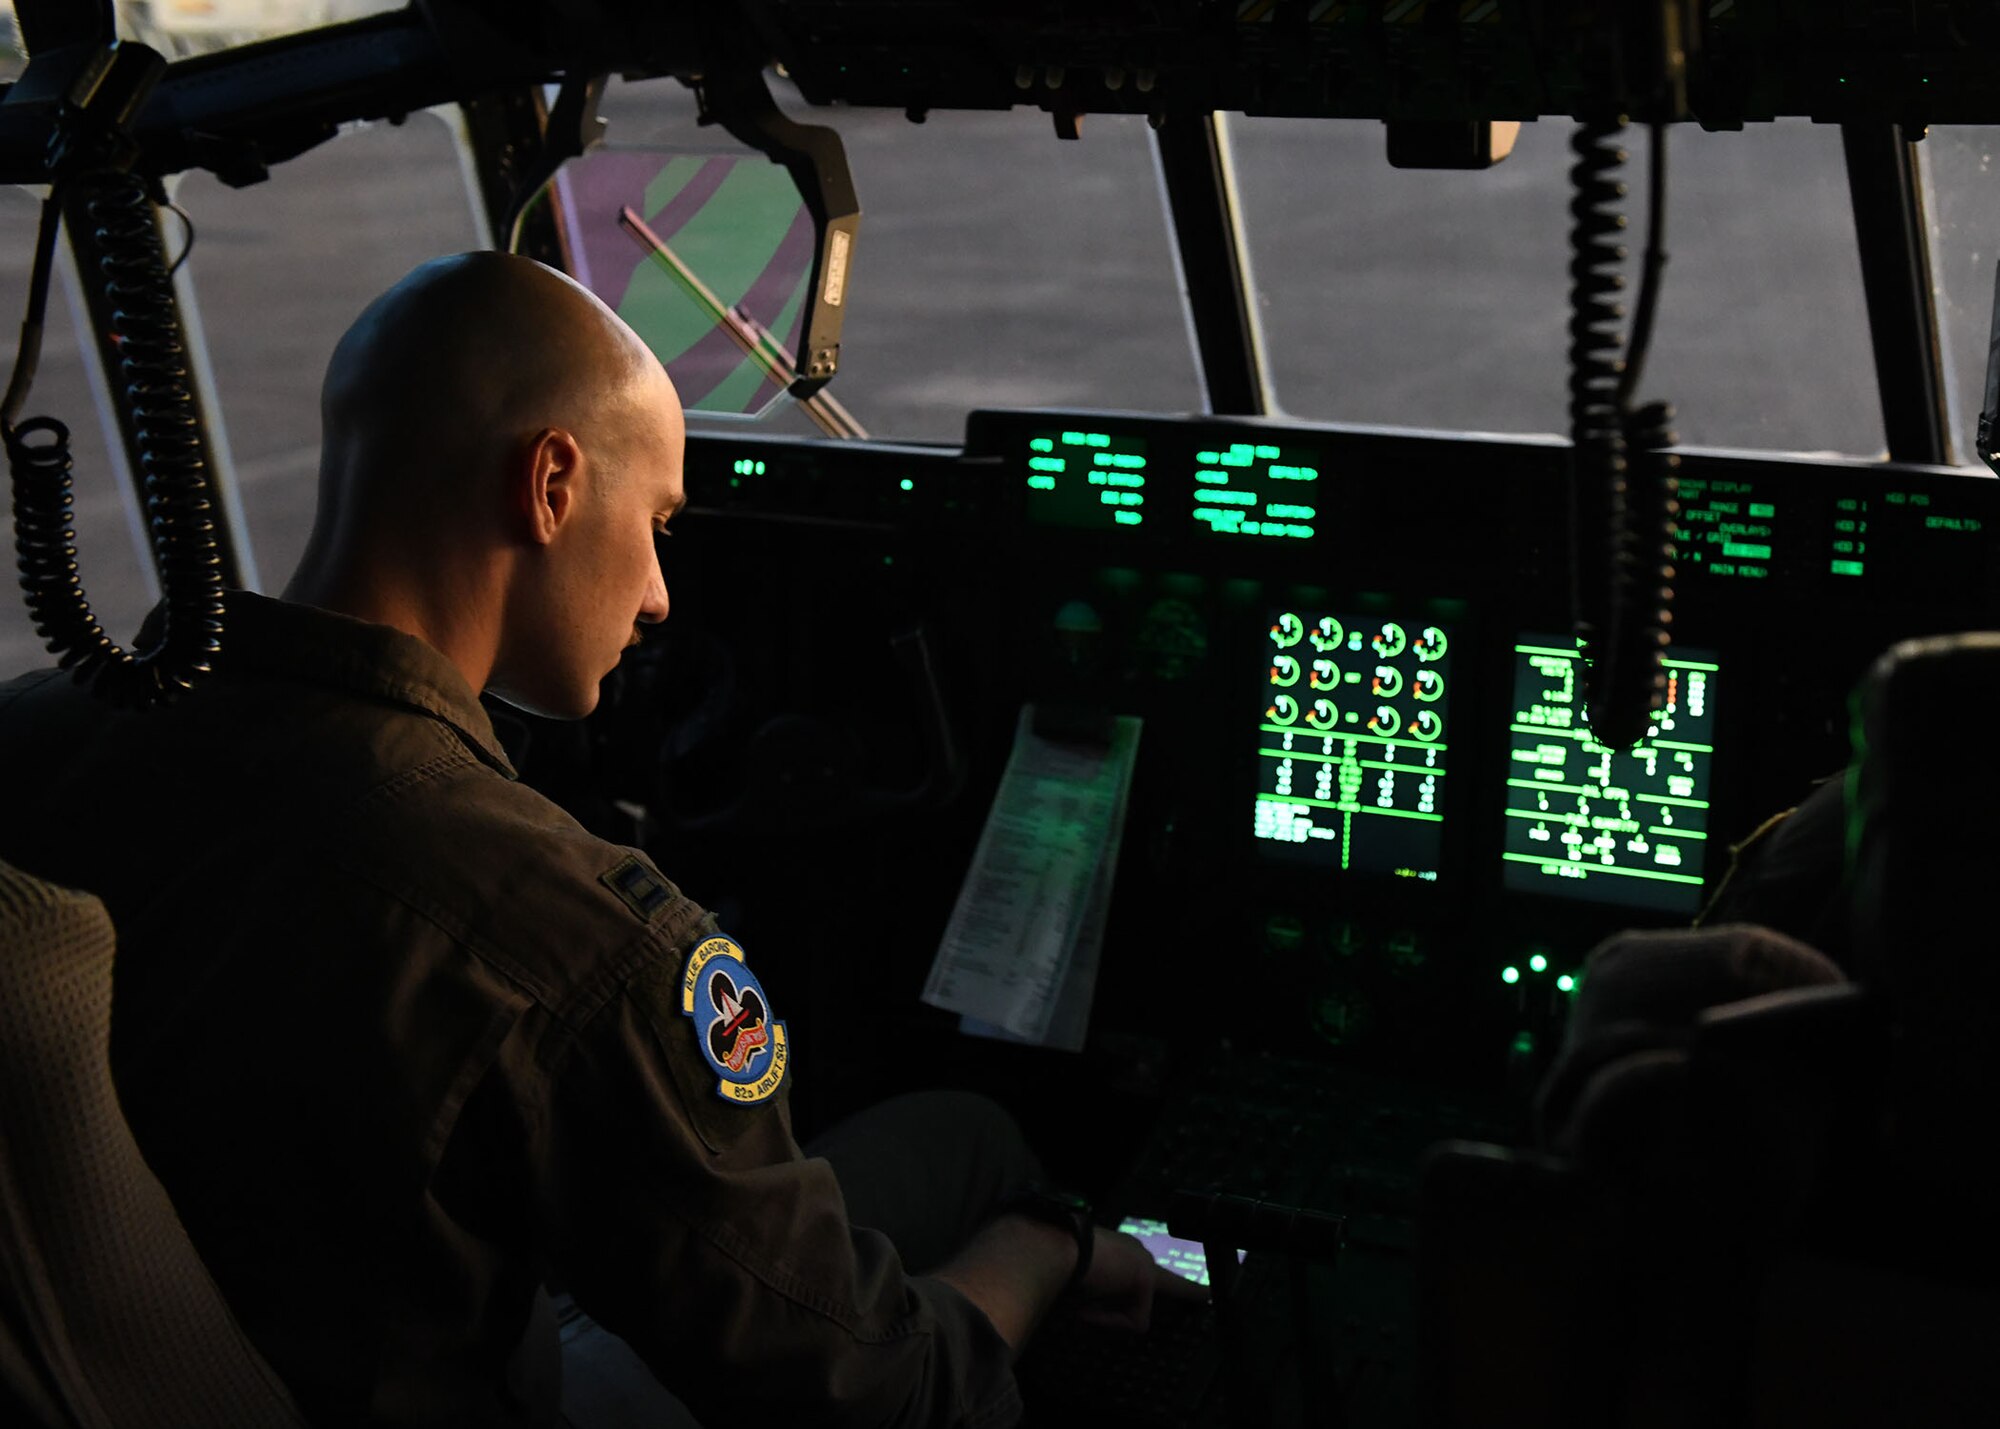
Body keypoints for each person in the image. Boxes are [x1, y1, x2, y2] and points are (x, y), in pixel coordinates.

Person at [0, 252, 1188, 1426]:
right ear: (553, 483)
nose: (662, 592)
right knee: (988, 1175)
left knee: (949, 1139)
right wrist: (1051, 1255)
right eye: (658, 521)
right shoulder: (567, 936)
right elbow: (876, 1393)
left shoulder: (36, 733)